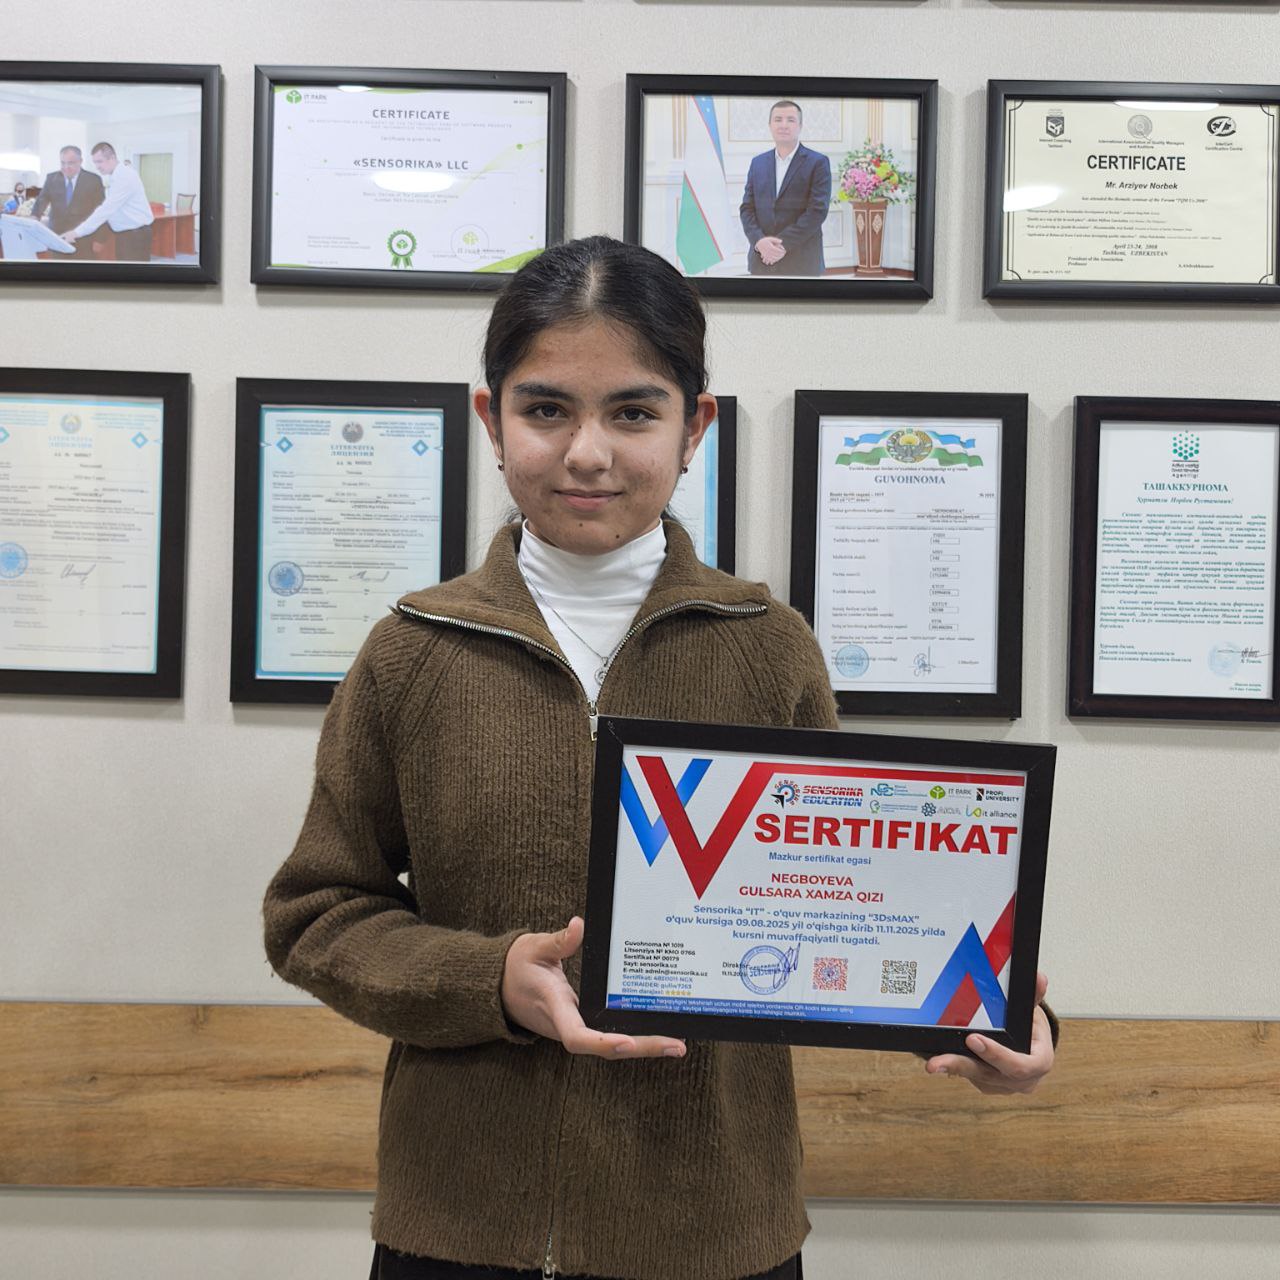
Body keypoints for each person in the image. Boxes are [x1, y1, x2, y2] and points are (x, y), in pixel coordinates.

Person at [262, 236, 1056, 1280]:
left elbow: (857, 898)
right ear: (491, 420)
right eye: (547, 409)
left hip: (713, 1231)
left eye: (633, 412)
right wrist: (490, 979)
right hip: (459, 1227)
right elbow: (317, 913)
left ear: (695, 428)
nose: (587, 452)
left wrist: (989, 1011)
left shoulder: (766, 646)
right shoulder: (413, 651)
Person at [739, 101, 832, 277]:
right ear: (770, 125)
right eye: (778, 119)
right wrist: (760, 242)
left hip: (802, 261)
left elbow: (817, 211)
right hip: (761, 259)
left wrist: (779, 246)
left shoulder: (818, 162)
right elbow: (747, 209)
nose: (783, 125)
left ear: (800, 126)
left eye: (790, 120)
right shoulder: (757, 163)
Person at [63, 141, 154, 262]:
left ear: (112, 158)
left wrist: (76, 233)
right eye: (95, 162)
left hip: (135, 236)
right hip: (128, 234)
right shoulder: (116, 176)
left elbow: (106, 210)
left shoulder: (124, 177)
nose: (97, 166)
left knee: (134, 272)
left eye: (100, 161)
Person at [29, 146, 105, 258]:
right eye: (63, 163)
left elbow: (101, 211)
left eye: (70, 163)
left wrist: (100, 239)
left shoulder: (93, 180)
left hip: (84, 240)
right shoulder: (52, 178)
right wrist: (34, 217)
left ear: (80, 161)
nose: (66, 167)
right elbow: (41, 201)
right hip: (57, 238)